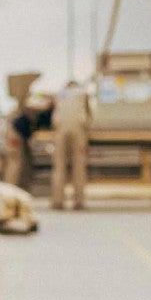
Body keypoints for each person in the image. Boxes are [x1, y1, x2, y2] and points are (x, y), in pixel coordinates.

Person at [49, 80, 92, 209]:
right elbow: (89, 114)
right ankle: (79, 202)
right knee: (79, 166)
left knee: (59, 166)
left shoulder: (59, 94)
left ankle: (58, 201)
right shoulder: (83, 94)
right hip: (78, 130)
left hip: (60, 130)